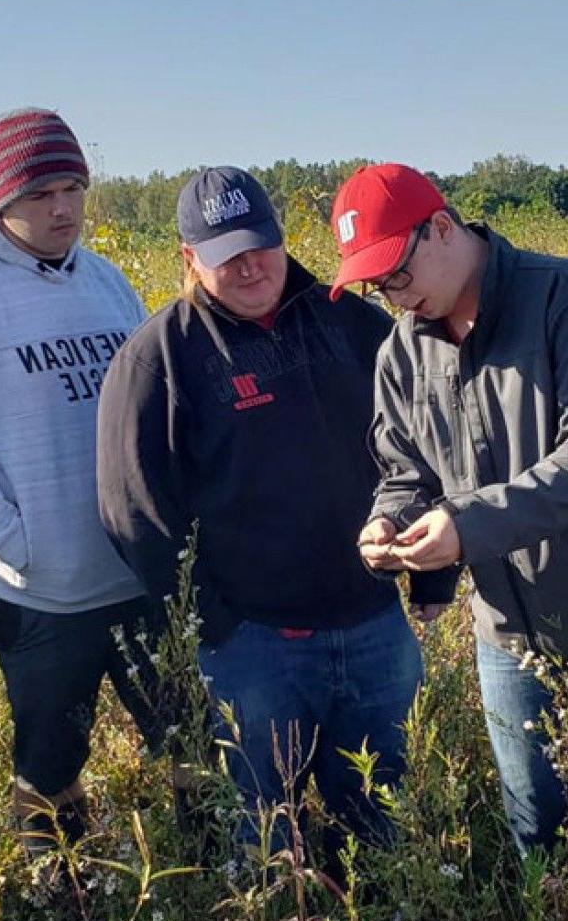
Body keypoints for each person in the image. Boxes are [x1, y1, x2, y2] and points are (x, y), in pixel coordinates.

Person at [330, 161, 568, 859]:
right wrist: (389, 522)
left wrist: (466, 527)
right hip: (511, 638)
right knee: (546, 843)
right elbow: (405, 469)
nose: (394, 298)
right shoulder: (402, 352)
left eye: (396, 275)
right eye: (377, 286)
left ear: (440, 227)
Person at [97, 166, 422, 863]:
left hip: (373, 631)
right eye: (224, 255)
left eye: (259, 245)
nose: (250, 266)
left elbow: (420, 447)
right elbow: (134, 513)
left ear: (281, 236)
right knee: (262, 834)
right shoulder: (158, 359)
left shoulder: (353, 322)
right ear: (190, 259)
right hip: (253, 648)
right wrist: (215, 624)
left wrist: (426, 574)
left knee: (377, 823)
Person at [0, 107, 161, 853]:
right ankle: (59, 897)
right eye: (42, 192)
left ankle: (208, 883)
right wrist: (14, 542)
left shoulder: (106, 282)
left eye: (74, 187)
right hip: (37, 590)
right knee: (51, 762)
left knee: (188, 738)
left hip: (132, 574)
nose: (63, 208)